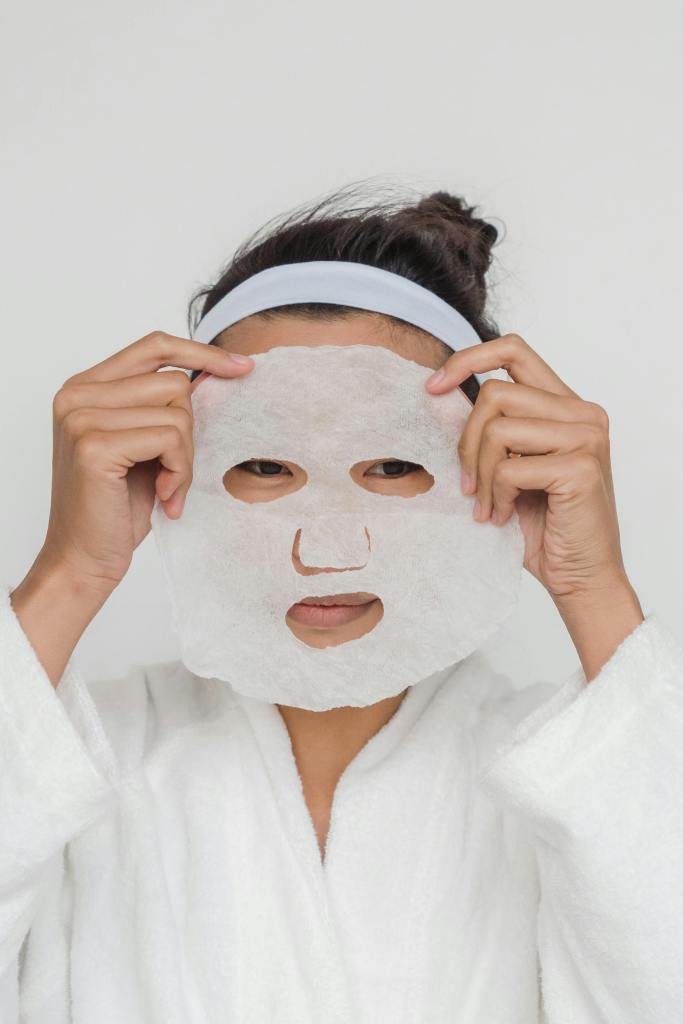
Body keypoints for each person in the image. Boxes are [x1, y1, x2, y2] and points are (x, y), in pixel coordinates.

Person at [2, 187, 682, 1024]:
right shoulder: (78, 761)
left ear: (493, 461)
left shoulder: (567, 773)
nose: (326, 548)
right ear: (173, 462)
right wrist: (71, 571)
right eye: (263, 465)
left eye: (393, 466)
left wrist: (592, 589)